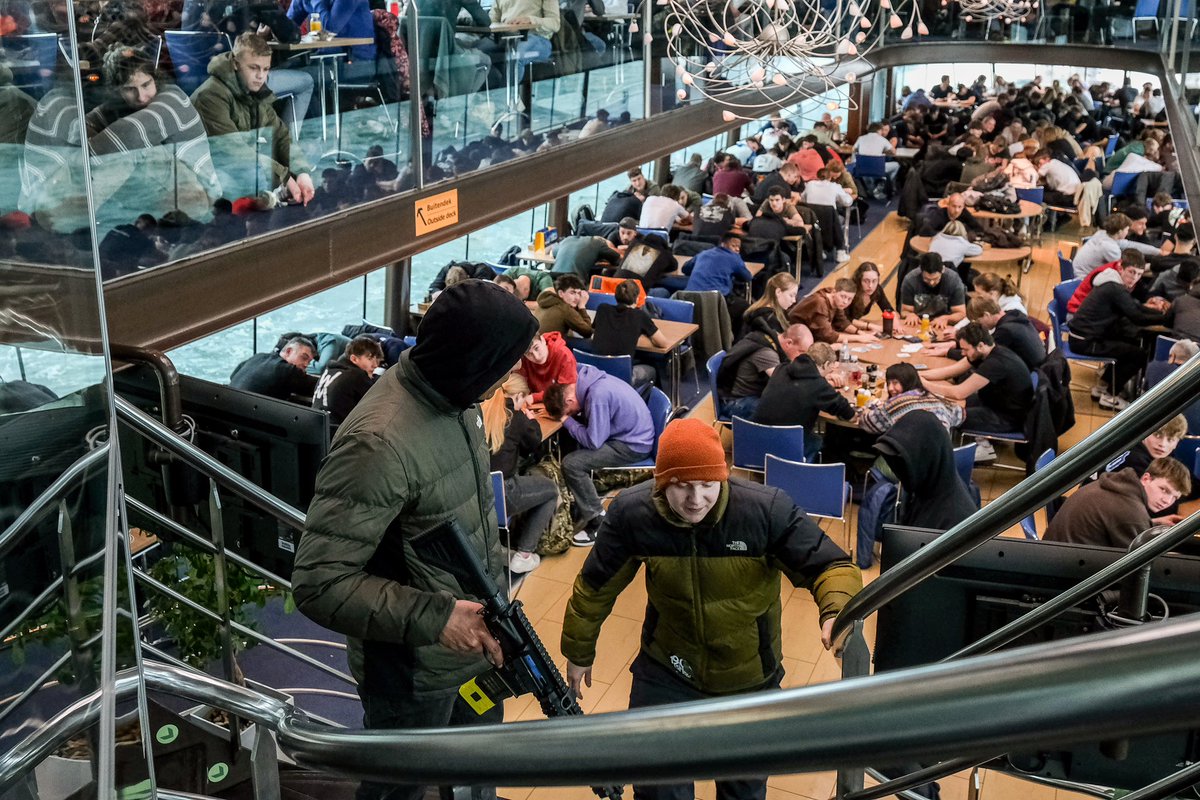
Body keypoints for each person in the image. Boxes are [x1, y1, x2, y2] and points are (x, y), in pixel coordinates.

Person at [292, 281, 538, 800]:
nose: (506, 380)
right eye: (503, 365)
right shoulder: (378, 443)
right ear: (475, 359)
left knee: (475, 781)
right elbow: (318, 583)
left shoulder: (456, 396)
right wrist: (439, 618)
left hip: (475, 648)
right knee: (397, 791)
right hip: (412, 671)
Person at [560, 417, 863, 800]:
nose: (696, 499)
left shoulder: (764, 511)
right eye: (682, 486)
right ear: (661, 481)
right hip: (667, 667)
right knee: (657, 789)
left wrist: (836, 610)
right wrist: (578, 651)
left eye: (707, 485)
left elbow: (832, 566)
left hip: (747, 674)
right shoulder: (633, 515)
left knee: (743, 789)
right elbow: (595, 587)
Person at [85, 43, 222, 202]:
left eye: (146, 85)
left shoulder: (173, 99)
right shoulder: (120, 105)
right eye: (129, 89)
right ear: (117, 90)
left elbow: (131, 132)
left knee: (138, 150)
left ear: (155, 79)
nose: (141, 97)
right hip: (159, 198)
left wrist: (78, 159)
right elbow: (82, 126)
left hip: (202, 195)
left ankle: (83, 214)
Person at [191, 33, 315, 204]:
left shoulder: (255, 91)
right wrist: (284, 176)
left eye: (265, 69)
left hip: (241, 163)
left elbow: (281, 136)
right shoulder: (211, 96)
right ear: (236, 64)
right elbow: (232, 152)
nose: (260, 76)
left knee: (299, 163)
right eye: (254, 68)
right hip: (209, 171)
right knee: (255, 178)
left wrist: (301, 172)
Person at [543, 366, 654, 546]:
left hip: (633, 446)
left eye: (569, 410)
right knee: (574, 441)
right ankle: (583, 501)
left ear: (570, 399)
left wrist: (567, 421)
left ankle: (597, 518)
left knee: (571, 464)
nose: (572, 413)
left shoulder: (597, 396)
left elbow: (594, 441)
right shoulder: (587, 379)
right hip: (632, 434)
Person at [1069, 251, 1168, 410]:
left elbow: (1135, 307)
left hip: (1082, 337)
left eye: (1139, 274)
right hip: (1085, 342)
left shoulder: (1112, 283)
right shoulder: (1115, 289)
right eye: (1131, 272)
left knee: (1129, 342)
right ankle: (1109, 396)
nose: (1134, 278)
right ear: (1121, 268)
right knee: (1139, 355)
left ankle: (1103, 387)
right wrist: (1166, 318)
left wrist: (1160, 313)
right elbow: (1137, 316)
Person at [480, 389, 558, 574]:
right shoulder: (516, 418)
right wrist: (531, 419)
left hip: (479, 493)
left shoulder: (479, 413)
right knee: (551, 491)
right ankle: (524, 554)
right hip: (505, 493)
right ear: (517, 395)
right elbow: (534, 442)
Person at [753, 324, 855, 459]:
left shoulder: (781, 368)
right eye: (830, 368)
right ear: (824, 365)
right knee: (819, 441)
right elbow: (847, 412)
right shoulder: (818, 385)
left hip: (756, 440)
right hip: (784, 447)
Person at [920, 323, 1034, 440]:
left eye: (965, 349)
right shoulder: (986, 352)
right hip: (993, 403)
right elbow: (951, 371)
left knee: (945, 413)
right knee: (945, 403)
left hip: (1006, 418)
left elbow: (959, 392)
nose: (962, 353)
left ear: (980, 345)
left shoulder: (996, 363)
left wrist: (925, 384)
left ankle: (980, 446)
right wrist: (917, 374)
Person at [1043, 458, 1191, 547]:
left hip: (1055, 555)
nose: (1167, 501)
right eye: (1164, 489)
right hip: (1065, 578)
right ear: (1146, 479)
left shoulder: (1117, 483)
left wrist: (1154, 523)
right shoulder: (1131, 512)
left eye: (1174, 497)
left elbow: (1118, 522)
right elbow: (1136, 566)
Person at [874, 410, 979, 530]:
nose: (899, 472)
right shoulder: (925, 489)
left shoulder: (955, 520)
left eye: (903, 464)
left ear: (925, 458)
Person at [591, 279, 669, 386]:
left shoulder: (602, 309)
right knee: (652, 369)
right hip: (622, 376)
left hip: (597, 373)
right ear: (637, 299)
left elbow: (596, 330)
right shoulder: (639, 315)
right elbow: (663, 343)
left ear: (616, 296)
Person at [860, 363, 964, 434]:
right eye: (889, 383)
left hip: (911, 460)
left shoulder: (896, 405)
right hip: (942, 459)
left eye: (895, 383)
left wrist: (867, 410)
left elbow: (867, 423)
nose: (891, 388)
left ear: (907, 382)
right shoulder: (932, 397)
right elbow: (960, 415)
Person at [311, 335, 383, 428]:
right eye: (370, 359)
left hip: (317, 427)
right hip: (337, 433)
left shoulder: (329, 371)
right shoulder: (356, 375)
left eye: (377, 360)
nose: (375, 365)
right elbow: (376, 398)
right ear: (354, 359)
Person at [963, 296, 1045, 370]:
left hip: (1032, 377)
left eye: (978, 321)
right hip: (1039, 371)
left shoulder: (1005, 331)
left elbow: (983, 358)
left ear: (986, 315)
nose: (979, 325)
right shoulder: (1013, 315)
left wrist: (951, 352)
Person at [1071, 213, 1164, 279]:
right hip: (1084, 280)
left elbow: (1130, 244)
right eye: (1127, 229)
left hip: (1078, 274)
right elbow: (1124, 270)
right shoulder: (1109, 247)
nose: (1128, 232)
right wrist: (1153, 266)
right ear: (1120, 231)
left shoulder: (1102, 234)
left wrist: (1158, 251)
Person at [685, 231, 754, 318]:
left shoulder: (704, 253)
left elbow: (685, 268)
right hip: (715, 300)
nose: (737, 249)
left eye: (738, 247)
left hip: (689, 297)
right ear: (723, 244)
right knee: (744, 306)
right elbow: (747, 277)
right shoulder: (734, 258)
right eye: (734, 246)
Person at [789, 278, 876, 345]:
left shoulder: (835, 299)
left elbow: (842, 322)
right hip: (793, 333)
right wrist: (859, 338)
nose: (845, 302)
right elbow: (828, 336)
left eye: (849, 299)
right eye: (843, 296)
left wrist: (860, 333)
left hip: (809, 333)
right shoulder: (820, 303)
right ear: (834, 292)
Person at [229, 334, 318, 399]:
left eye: (309, 362)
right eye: (303, 357)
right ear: (288, 351)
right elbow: (322, 386)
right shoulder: (288, 370)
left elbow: (233, 376)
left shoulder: (258, 357)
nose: (306, 364)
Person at [489, 0, 560, 79]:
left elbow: (555, 24)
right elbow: (492, 20)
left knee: (515, 56)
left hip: (536, 38)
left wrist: (530, 20)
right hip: (505, 37)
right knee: (479, 54)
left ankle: (505, 90)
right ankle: (493, 89)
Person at [899, 253, 967, 328]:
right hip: (918, 324)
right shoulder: (910, 280)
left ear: (943, 270)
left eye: (936, 279)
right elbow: (905, 311)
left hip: (943, 325)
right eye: (927, 279)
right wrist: (910, 315)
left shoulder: (953, 281)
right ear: (921, 271)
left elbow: (961, 313)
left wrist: (946, 318)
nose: (931, 283)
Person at [510, 331, 577, 402]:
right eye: (529, 354)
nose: (536, 357)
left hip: (559, 403)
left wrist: (534, 397)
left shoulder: (564, 355)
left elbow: (565, 391)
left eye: (536, 348)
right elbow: (517, 383)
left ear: (542, 340)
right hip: (534, 404)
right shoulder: (524, 360)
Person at [534, 273, 594, 337]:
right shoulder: (565, 309)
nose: (577, 297)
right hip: (546, 344)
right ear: (561, 293)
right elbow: (588, 332)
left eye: (579, 293)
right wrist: (582, 306)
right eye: (572, 293)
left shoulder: (546, 302)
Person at [552, 234, 621, 280]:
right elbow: (618, 259)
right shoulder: (599, 243)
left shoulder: (568, 239)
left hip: (554, 276)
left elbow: (552, 253)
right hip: (574, 279)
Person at [846, 261, 892, 329]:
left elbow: (888, 310)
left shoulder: (877, 290)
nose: (870, 286)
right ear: (859, 280)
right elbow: (843, 319)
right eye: (866, 281)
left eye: (874, 281)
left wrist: (895, 320)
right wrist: (869, 326)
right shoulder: (850, 290)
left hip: (853, 326)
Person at [915, 193, 983, 238]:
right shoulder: (939, 214)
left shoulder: (964, 213)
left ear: (963, 207)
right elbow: (925, 231)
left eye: (960, 207)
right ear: (948, 205)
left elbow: (978, 229)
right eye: (954, 206)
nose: (957, 210)